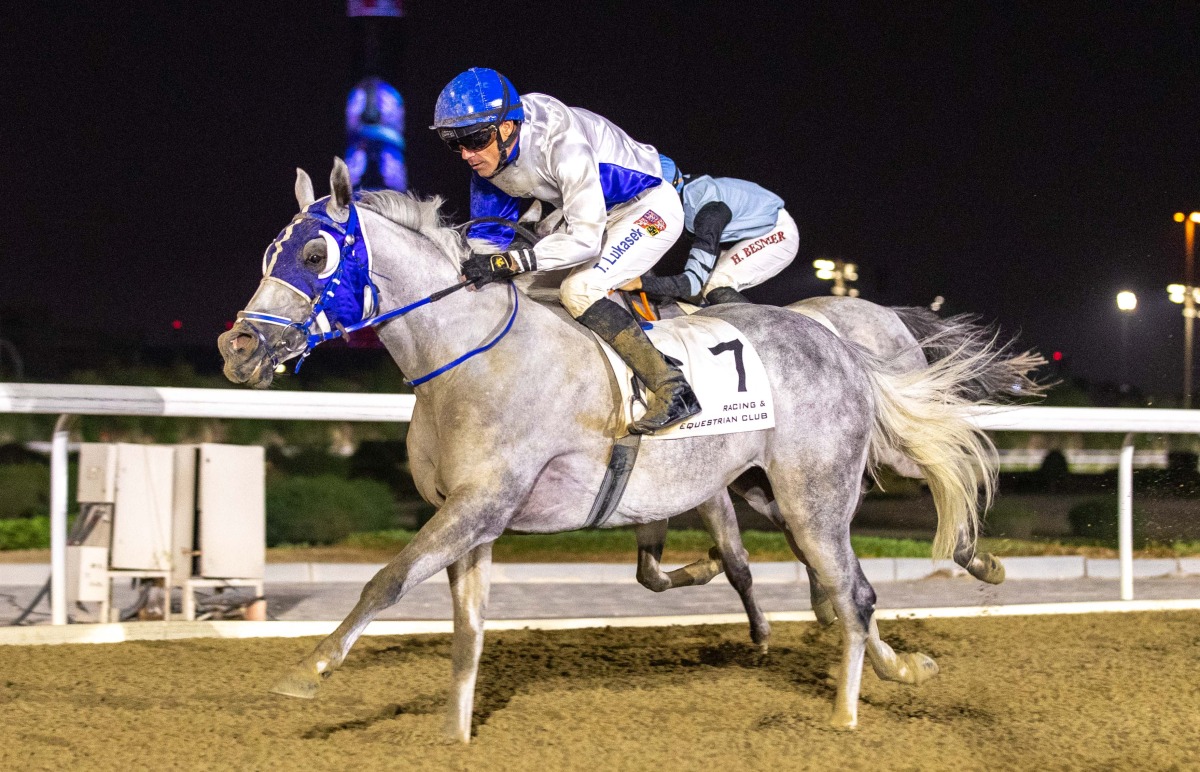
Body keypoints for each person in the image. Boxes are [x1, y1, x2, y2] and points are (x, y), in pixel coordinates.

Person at [431, 67, 700, 434]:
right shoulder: (489, 158)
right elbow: (487, 244)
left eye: (475, 140)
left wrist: (511, 259)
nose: (466, 154)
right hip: (588, 214)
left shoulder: (561, 142)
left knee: (578, 290)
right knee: (520, 289)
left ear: (506, 127)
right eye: (455, 143)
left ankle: (672, 387)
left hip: (648, 209)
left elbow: (585, 239)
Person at [625, 156, 799, 306]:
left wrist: (640, 283)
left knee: (713, 284)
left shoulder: (708, 215)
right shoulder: (678, 188)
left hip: (776, 233)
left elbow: (691, 283)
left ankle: (760, 333)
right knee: (694, 295)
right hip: (742, 227)